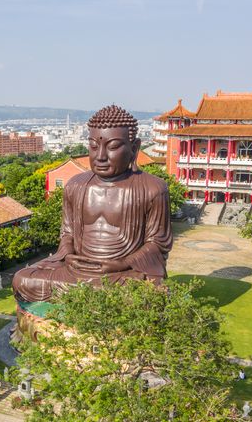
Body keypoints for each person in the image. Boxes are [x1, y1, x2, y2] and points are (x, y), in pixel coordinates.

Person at [12, 105, 173, 303]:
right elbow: (67, 232)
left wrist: (120, 263)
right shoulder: (76, 185)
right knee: (23, 279)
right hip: (75, 268)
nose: (101, 156)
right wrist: (68, 254)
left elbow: (158, 243)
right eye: (94, 146)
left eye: (113, 147)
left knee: (146, 295)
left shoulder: (152, 188)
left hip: (121, 273)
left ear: (134, 148)